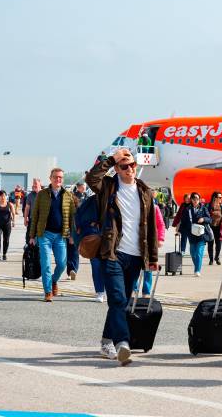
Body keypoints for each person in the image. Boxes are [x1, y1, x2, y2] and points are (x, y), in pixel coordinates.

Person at [85, 148, 159, 366]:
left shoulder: (144, 191)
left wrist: (152, 257)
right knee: (117, 299)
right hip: (112, 253)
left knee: (122, 302)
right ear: (117, 169)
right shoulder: (108, 187)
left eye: (132, 165)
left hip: (135, 256)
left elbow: (151, 227)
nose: (130, 169)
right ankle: (122, 343)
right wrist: (110, 159)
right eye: (124, 166)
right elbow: (92, 178)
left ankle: (106, 340)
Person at [29, 168, 76, 302]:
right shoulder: (42, 194)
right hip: (44, 235)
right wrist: (32, 236)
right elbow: (35, 215)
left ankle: (54, 280)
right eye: (55, 177)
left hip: (61, 236)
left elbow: (73, 217)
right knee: (46, 264)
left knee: (62, 264)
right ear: (50, 178)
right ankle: (48, 291)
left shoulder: (68, 195)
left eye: (60, 177)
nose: (58, 179)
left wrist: (72, 235)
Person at [134, 196, 166, 298]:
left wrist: (160, 239)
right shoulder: (134, 207)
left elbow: (161, 225)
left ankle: (146, 292)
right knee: (133, 268)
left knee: (148, 268)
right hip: (135, 242)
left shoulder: (155, 208)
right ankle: (133, 290)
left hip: (150, 243)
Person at [180, 192, 210, 277]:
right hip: (191, 234)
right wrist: (180, 230)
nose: (196, 200)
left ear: (199, 199)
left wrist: (203, 219)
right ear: (191, 200)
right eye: (194, 199)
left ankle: (197, 270)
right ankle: (197, 265)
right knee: (192, 253)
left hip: (201, 234)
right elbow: (183, 221)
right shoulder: (187, 209)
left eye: (197, 198)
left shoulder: (203, 208)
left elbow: (209, 219)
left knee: (198, 253)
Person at [207, 191, 222, 265]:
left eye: (221, 197)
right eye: (220, 197)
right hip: (210, 227)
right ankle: (211, 259)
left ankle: (217, 257)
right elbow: (205, 214)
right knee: (210, 243)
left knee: (219, 243)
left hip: (219, 227)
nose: (221, 198)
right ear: (215, 198)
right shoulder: (209, 206)